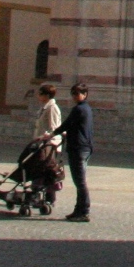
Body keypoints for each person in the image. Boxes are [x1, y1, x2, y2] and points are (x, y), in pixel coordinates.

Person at [61, 83, 93, 222]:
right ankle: (78, 210)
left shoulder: (79, 109)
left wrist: (52, 134)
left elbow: (67, 124)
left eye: (77, 93)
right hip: (84, 147)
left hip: (78, 148)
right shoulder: (86, 108)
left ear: (85, 94)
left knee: (80, 181)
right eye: (73, 93)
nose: (74, 96)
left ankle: (84, 211)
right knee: (79, 181)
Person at [30, 83, 63, 211]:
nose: (38, 96)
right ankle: (39, 195)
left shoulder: (52, 108)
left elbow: (54, 127)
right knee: (42, 170)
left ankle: (49, 198)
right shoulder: (44, 107)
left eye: (40, 93)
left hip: (50, 145)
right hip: (41, 143)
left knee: (48, 171)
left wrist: (45, 137)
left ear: (46, 95)